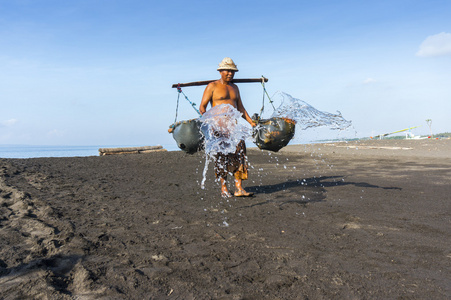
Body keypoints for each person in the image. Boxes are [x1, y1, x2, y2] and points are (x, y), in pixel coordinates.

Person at [199, 57, 256, 197]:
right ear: (220, 71)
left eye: (233, 71)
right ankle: (224, 188)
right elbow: (202, 107)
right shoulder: (212, 86)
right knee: (222, 158)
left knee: (240, 155)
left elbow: (241, 108)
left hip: (234, 128)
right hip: (218, 128)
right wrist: (210, 122)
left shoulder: (235, 87)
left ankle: (239, 188)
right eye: (228, 71)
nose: (230, 73)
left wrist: (251, 122)